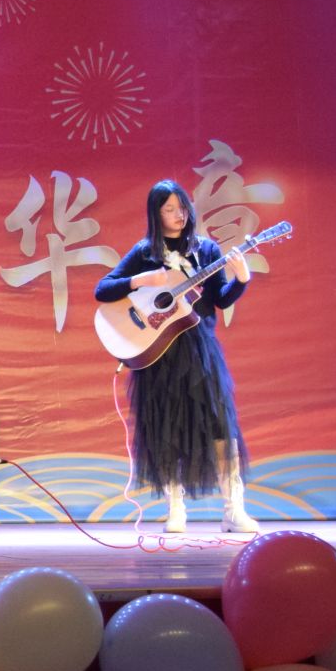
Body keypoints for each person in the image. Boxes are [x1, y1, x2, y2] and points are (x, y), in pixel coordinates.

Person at [94, 178, 257, 534]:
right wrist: (143, 280)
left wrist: (241, 279)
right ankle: (176, 508)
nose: (178, 215)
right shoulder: (145, 252)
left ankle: (234, 509)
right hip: (159, 356)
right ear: (156, 214)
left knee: (221, 428)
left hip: (200, 355)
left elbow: (220, 298)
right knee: (166, 429)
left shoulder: (206, 250)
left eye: (182, 207)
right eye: (169, 209)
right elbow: (103, 290)